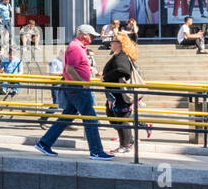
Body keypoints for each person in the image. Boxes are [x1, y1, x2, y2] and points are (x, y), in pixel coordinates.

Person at [35, 25, 116, 160]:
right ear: (83, 35)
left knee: (66, 118)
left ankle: (44, 143)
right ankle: (96, 151)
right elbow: (70, 69)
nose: (93, 38)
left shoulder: (77, 47)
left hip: (75, 88)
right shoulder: (76, 48)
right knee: (91, 119)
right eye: (91, 35)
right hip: (78, 89)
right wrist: (83, 84)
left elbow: (70, 69)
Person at [102, 33, 136, 155]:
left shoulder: (121, 56)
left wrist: (105, 77)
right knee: (113, 116)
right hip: (116, 94)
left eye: (113, 41)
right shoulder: (119, 55)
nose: (110, 43)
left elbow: (123, 70)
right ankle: (128, 141)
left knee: (121, 119)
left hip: (119, 94)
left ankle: (125, 145)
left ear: (119, 44)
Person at [39, 50, 65, 126]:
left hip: (63, 84)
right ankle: (43, 119)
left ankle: (65, 122)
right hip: (57, 84)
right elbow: (51, 73)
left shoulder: (65, 61)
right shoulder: (54, 61)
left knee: (67, 104)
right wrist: (63, 73)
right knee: (56, 104)